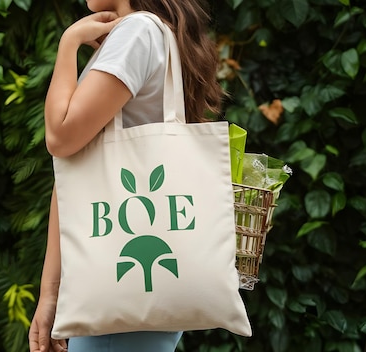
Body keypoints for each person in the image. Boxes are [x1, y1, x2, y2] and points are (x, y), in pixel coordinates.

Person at [29, 0, 223, 351]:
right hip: (137, 288)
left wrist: (68, 45)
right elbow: (77, 173)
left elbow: (60, 137)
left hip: (120, 282)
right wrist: (52, 293)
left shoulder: (138, 32)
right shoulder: (159, 33)